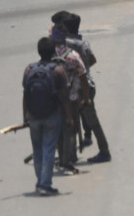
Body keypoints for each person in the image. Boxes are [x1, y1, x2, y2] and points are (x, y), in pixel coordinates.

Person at [22, 37, 71, 196]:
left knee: (37, 150)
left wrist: (25, 116)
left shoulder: (29, 69)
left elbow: (25, 94)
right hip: (52, 116)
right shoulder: (58, 70)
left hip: (33, 116)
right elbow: (64, 96)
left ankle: (40, 181)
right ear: (53, 52)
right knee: (49, 149)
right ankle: (45, 184)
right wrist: (69, 116)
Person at [62, 12, 110, 162]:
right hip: (88, 84)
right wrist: (85, 68)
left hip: (78, 87)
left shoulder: (67, 43)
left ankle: (75, 155)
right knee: (91, 121)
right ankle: (100, 151)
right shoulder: (83, 42)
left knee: (72, 121)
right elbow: (93, 59)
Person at [49, 22, 88, 172]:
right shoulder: (73, 56)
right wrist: (86, 97)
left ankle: (62, 158)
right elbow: (83, 76)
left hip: (55, 98)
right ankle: (69, 157)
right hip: (71, 97)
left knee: (59, 130)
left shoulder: (50, 54)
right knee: (70, 127)